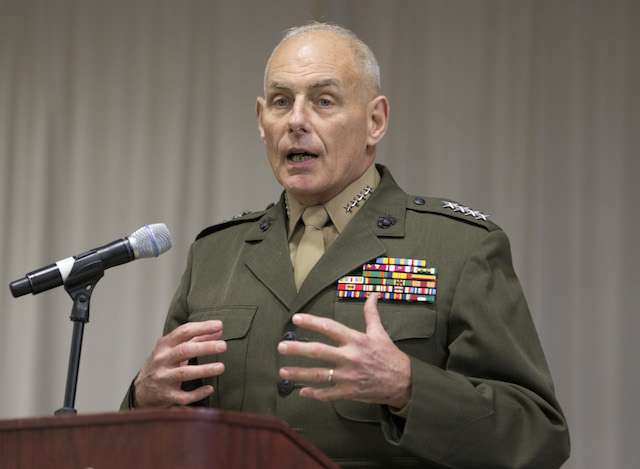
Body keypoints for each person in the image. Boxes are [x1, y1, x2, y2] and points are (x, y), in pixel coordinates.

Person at [122, 22, 570, 468]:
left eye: (324, 101)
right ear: (261, 120)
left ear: (375, 121)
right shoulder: (216, 254)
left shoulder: (458, 247)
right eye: (281, 102)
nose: (296, 121)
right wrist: (142, 400)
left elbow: (538, 435)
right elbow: (157, 440)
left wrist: (408, 387)